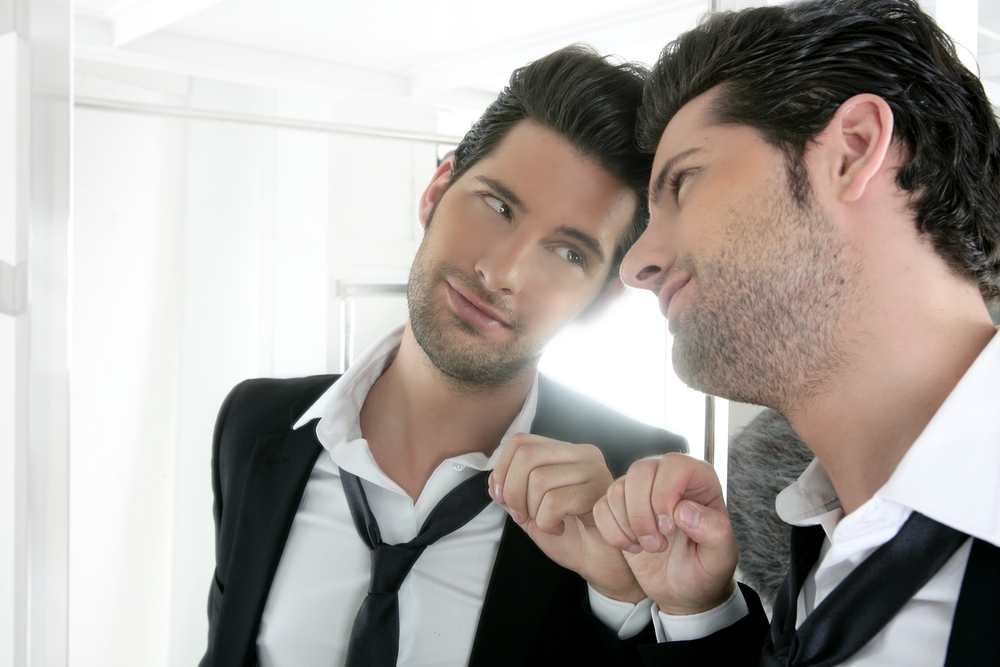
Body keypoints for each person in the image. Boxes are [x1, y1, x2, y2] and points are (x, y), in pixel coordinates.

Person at [199, 45, 687, 667]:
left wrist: (622, 595)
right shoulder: (255, 424)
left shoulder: (635, 482)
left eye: (568, 253)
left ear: (604, 298)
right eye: (498, 206)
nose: (501, 271)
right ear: (436, 190)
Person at [593, 0, 1000, 665]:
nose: (637, 262)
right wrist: (700, 621)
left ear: (854, 149)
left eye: (683, 183)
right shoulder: (799, 550)